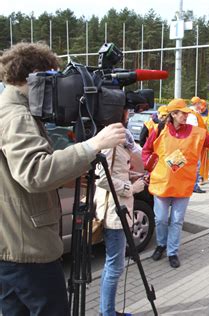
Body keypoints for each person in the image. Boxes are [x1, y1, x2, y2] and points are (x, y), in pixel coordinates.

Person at [0, 42, 126, 315]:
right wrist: (93, 145)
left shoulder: (10, 108)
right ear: (35, 77)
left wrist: (72, 170)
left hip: (13, 245)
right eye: (53, 78)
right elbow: (35, 173)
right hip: (28, 250)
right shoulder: (17, 116)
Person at [142, 99, 209, 268]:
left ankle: (172, 252)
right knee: (161, 219)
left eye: (186, 113)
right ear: (173, 114)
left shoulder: (197, 133)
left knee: (177, 220)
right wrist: (148, 168)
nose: (185, 115)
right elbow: (146, 150)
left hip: (183, 184)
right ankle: (161, 245)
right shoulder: (159, 129)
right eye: (182, 113)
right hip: (161, 182)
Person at [95, 111, 146, 316]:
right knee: (115, 266)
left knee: (113, 265)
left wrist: (131, 175)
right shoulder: (110, 139)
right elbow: (101, 177)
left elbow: (113, 172)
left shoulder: (117, 137)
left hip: (119, 210)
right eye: (128, 110)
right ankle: (107, 313)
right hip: (114, 213)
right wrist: (131, 188)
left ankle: (106, 310)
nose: (131, 114)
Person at [186, 97, 207, 193]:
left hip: (195, 143)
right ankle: (193, 186)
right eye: (200, 104)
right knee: (196, 165)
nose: (201, 106)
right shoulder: (192, 114)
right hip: (193, 144)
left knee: (195, 165)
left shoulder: (194, 113)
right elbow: (194, 130)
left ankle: (192, 185)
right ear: (196, 104)